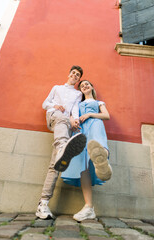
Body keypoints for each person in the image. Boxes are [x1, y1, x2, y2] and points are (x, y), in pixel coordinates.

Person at [36, 66, 87, 219]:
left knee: (55, 166)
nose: (75, 75)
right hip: (54, 116)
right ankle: (62, 148)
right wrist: (55, 106)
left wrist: (76, 120)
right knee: (62, 117)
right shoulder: (57, 88)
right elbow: (45, 103)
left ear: (78, 79)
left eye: (78, 75)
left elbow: (75, 110)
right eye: (73, 73)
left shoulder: (78, 94)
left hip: (65, 128)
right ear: (69, 74)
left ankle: (43, 204)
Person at [61, 80, 112, 221]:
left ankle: (104, 165)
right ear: (81, 90)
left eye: (87, 84)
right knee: (82, 167)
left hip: (95, 124)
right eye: (82, 85)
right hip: (81, 130)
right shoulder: (77, 103)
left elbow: (106, 116)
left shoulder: (98, 102)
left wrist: (90, 115)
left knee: (98, 145)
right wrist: (72, 120)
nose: (84, 85)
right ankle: (89, 207)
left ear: (92, 87)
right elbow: (71, 113)